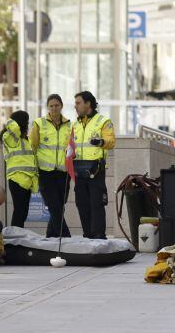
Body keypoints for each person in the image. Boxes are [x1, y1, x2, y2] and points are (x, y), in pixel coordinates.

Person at [72, 91, 115, 239]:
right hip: (78, 170)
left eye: (78, 103)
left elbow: (111, 141)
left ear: (88, 104)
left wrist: (101, 142)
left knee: (96, 204)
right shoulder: (75, 124)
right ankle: (87, 235)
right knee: (81, 204)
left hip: (95, 170)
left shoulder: (103, 121)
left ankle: (99, 235)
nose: (75, 106)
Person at [31, 94, 72, 238]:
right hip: (45, 172)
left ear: (61, 106)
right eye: (51, 106)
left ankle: (50, 235)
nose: (54, 108)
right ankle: (65, 236)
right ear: (47, 107)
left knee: (59, 206)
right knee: (54, 205)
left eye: (57, 105)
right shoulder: (38, 124)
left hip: (63, 172)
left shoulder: (70, 125)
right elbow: (33, 147)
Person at [0, 110, 38, 228]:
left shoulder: (25, 140)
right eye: (26, 121)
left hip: (26, 180)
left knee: (23, 212)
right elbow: (14, 128)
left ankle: (18, 237)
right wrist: (11, 120)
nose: (28, 124)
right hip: (17, 178)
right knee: (19, 211)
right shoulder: (10, 137)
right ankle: (15, 239)